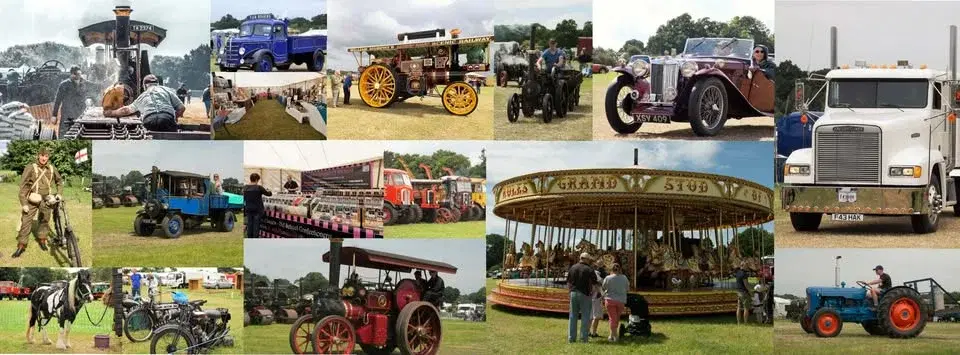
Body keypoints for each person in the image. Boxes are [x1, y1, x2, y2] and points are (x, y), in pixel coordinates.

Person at [13, 147, 63, 258]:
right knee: (26, 221)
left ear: (48, 157)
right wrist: (24, 203)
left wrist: (59, 193)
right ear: (38, 156)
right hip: (32, 199)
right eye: (42, 155)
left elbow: (59, 181)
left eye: (46, 156)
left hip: (46, 199)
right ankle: (21, 246)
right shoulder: (30, 167)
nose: (44, 158)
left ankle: (42, 240)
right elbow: (23, 186)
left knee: (45, 220)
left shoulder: (51, 168)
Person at [103, 74, 185, 132]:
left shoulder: (143, 96)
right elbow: (182, 108)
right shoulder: (167, 90)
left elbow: (126, 110)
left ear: (145, 86)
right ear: (158, 84)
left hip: (150, 120)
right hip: (168, 119)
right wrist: (175, 118)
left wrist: (110, 113)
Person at [567, 252, 597, 343]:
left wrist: (570, 291)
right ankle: (583, 338)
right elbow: (594, 282)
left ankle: (571, 338)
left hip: (573, 293)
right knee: (585, 316)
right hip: (585, 294)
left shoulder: (573, 267)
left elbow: (568, 281)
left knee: (573, 316)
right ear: (586, 259)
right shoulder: (589, 269)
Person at [52, 65, 89, 136]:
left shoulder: (85, 83)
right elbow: (57, 101)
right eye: (76, 74)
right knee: (64, 135)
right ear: (71, 74)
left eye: (79, 74)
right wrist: (54, 115)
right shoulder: (64, 85)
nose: (78, 76)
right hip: (67, 115)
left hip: (80, 114)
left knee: (80, 134)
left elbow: (96, 89)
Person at [602, 263, 629, 342]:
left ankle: (615, 336)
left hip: (610, 300)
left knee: (612, 318)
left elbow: (604, 287)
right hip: (621, 300)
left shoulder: (608, 278)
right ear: (620, 269)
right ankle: (612, 335)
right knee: (616, 318)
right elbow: (627, 288)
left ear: (611, 270)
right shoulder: (624, 277)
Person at [243, 173, 273, 238]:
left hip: (248, 209)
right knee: (256, 227)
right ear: (256, 180)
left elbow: (243, 198)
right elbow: (269, 194)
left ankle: (249, 239)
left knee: (250, 225)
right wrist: (269, 191)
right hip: (257, 210)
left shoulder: (245, 187)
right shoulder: (259, 187)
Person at [588, 261, 606, 338]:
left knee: (590, 316)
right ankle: (594, 333)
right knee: (596, 316)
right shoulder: (597, 275)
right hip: (596, 297)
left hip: (589, 296)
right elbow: (602, 283)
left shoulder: (589, 274)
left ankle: (587, 331)